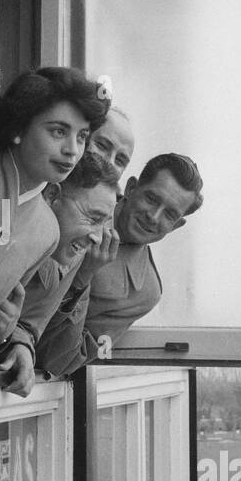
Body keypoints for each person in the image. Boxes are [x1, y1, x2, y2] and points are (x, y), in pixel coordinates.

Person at [0, 67, 110, 396]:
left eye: (82, 137)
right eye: (59, 132)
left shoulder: (47, 231)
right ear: (18, 128)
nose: (72, 149)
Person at [36, 152, 204, 377]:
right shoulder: (84, 194)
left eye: (170, 214)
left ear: (176, 225)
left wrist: (81, 279)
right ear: (132, 188)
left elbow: (59, 360)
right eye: (151, 199)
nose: (153, 217)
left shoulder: (145, 291)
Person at [16, 155, 121, 355]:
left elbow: (47, 347)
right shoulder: (4, 235)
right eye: (92, 218)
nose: (98, 238)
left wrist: (20, 345)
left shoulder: (71, 257)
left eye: (104, 222)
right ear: (52, 196)